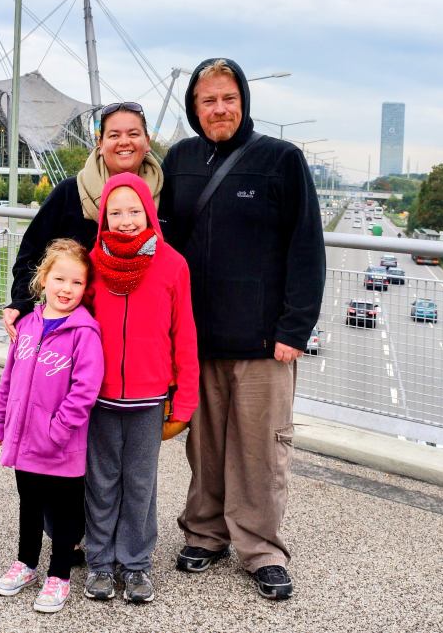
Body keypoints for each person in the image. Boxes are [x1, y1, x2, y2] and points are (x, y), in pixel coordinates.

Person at [159, 58, 325, 601]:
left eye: (228, 98)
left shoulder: (281, 159)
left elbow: (306, 248)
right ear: (194, 107)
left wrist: (294, 327)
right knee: (203, 447)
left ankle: (260, 548)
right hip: (196, 339)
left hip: (263, 343)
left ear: (244, 101)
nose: (219, 109)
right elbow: (162, 245)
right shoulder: (180, 160)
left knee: (260, 450)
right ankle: (205, 533)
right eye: (208, 101)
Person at [83, 173, 199, 605]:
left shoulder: (172, 264)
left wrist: (184, 402)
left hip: (150, 400)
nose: (127, 220)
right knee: (101, 482)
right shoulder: (90, 264)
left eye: (135, 211)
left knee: (140, 484)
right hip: (99, 398)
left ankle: (134, 565)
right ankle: (99, 562)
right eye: (116, 212)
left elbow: (184, 335)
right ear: (104, 217)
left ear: (149, 211)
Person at [0, 239, 104, 614]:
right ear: (43, 279)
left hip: (60, 446)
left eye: (76, 283)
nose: (66, 289)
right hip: (23, 441)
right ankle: (26, 564)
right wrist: (0, 423)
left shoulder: (84, 332)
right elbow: (8, 379)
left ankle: (59, 576)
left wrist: (57, 431)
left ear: (85, 288)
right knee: (30, 505)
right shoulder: (27, 325)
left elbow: (84, 391)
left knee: (66, 510)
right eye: (60, 279)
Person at [2, 102, 163, 342]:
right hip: (74, 335)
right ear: (100, 143)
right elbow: (30, 254)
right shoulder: (69, 193)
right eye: (114, 135)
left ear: (146, 141)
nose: (124, 142)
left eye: (133, 134)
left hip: (141, 335)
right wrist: (21, 302)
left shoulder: (167, 195)